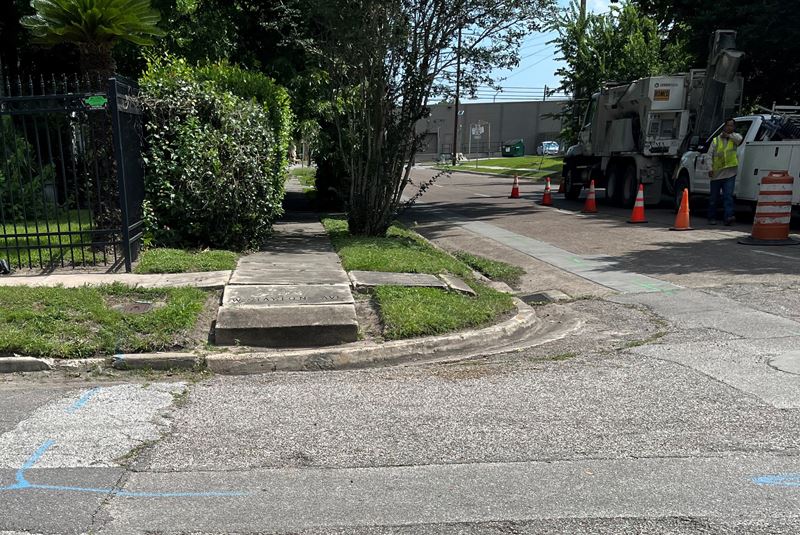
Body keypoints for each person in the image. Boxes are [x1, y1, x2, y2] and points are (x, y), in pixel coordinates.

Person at [707, 118, 742, 225]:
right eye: (728, 125)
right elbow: (709, 155)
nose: (729, 127)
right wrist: (710, 168)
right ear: (724, 126)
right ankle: (712, 217)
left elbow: (739, 140)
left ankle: (728, 217)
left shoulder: (735, 137)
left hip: (730, 173)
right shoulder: (716, 140)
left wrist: (729, 136)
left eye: (732, 125)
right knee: (714, 198)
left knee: (728, 196)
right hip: (717, 174)